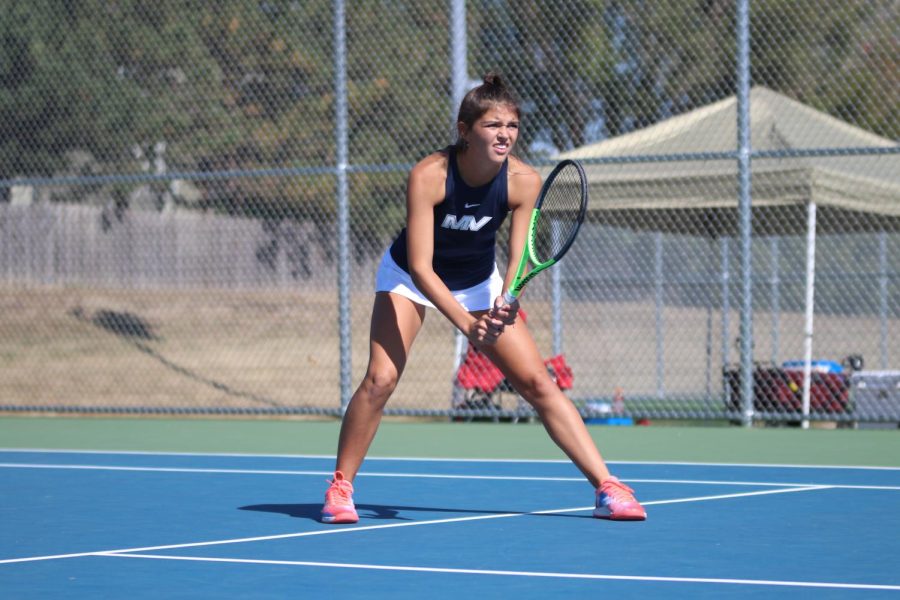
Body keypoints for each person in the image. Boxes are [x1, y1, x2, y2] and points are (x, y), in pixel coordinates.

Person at [321, 72, 646, 523]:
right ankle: (340, 488)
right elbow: (420, 266)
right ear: (464, 131)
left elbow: (518, 256)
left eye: (511, 126)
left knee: (537, 384)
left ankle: (609, 486)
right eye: (493, 126)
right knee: (380, 379)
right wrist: (468, 324)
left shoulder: (523, 181)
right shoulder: (429, 175)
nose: (504, 135)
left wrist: (506, 298)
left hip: (479, 281)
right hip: (411, 278)